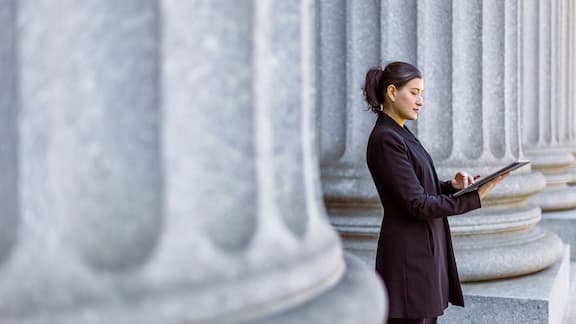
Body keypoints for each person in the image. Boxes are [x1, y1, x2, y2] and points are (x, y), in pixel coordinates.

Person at [363, 62, 507, 324]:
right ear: (392, 92)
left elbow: (416, 187)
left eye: (422, 94)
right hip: (409, 259)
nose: (421, 101)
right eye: (415, 92)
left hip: (421, 254)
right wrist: (475, 197)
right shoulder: (386, 138)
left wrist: (452, 186)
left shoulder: (400, 133)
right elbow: (416, 204)